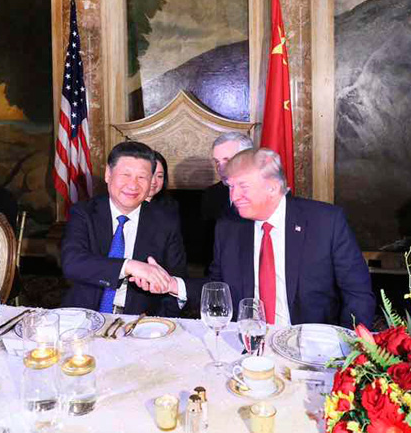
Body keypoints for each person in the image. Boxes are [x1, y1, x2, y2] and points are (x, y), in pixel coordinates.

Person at [151, 148, 375, 328]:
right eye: (231, 187)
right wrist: (172, 284)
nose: (234, 196)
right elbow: (217, 286)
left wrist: (349, 346)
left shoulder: (325, 222)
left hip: (311, 344)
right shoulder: (228, 227)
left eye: (243, 187)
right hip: (247, 338)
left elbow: (358, 293)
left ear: (273, 188)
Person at [60, 141, 188, 316]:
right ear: (108, 174)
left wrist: (160, 321)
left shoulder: (165, 221)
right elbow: (72, 263)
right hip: (84, 314)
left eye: (142, 177)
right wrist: (129, 266)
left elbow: (177, 281)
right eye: (126, 175)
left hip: (139, 320)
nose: (133, 185)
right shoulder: (84, 213)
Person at [197, 132, 252, 265]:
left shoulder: (263, 192)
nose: (220, 168)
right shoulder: (211, 194)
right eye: (217, 161)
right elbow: (209, 249)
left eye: (227, 160)